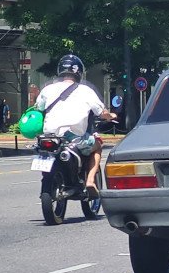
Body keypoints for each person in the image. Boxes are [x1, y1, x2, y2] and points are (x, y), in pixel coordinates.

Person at [36, 54, 116, 197]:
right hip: (74, 139)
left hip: (50, 137)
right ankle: (90, 180)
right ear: (79, 71)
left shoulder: (47, 89)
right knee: (97, 146)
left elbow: (38, 108)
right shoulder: (85, 90)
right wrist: (111, 116)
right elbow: (101, 112)